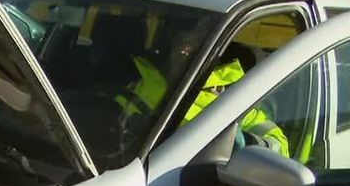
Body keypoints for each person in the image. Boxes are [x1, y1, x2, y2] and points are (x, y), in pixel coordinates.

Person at [114, 46, 290, 158]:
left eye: (193, 45)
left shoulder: (235, 95)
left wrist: (243, 144)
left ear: (214, 53)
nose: (183, 50)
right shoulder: (140, 83)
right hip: (124, 177)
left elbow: (279, 148)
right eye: (179, 42)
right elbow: (104, 122)